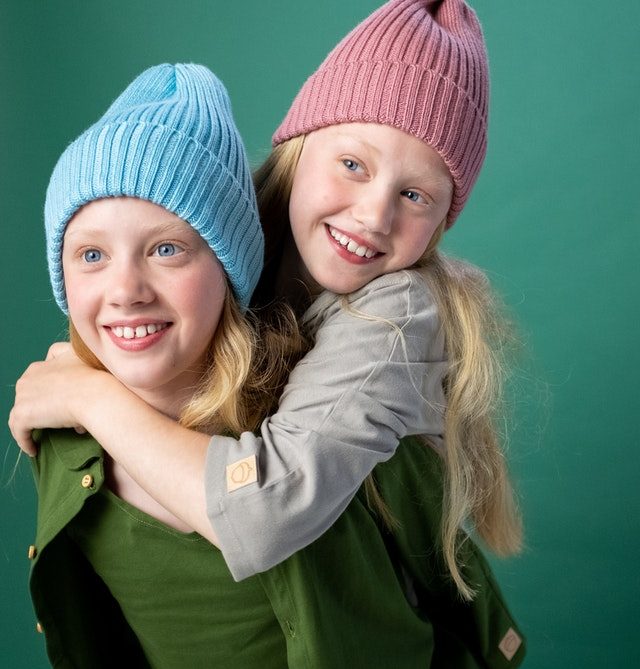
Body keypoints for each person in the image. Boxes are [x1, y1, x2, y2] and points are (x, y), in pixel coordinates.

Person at [12, 0, 524, 646]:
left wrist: (89, 395)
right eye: (353, 165)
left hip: (371, 626)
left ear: (446, 216)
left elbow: (263, 506)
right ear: (300, 140)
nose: (372, 215)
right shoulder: (228, 235)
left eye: (415, 195)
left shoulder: (398, 311)